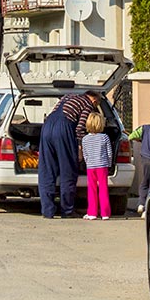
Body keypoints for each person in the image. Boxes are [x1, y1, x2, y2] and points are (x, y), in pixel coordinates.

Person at [37, 90, 99, 219]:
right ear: (94, 100)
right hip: (64, 128)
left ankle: (47, 211)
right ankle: (67, 210)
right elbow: (80, 128)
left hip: (47, 126)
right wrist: (80, 149)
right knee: (68, 171)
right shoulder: (87, 105)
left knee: (47, 170)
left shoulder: (67, 97)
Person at [81, 111, 113, 220]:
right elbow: (109, 153)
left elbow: (85, 154)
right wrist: (109, 164)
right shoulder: (104, 137)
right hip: (102, 165)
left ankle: (92, 212)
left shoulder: (84, 139)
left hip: (91, 166)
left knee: (92, 189)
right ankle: (105, 213)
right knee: (103, 189)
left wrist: (88, 163)